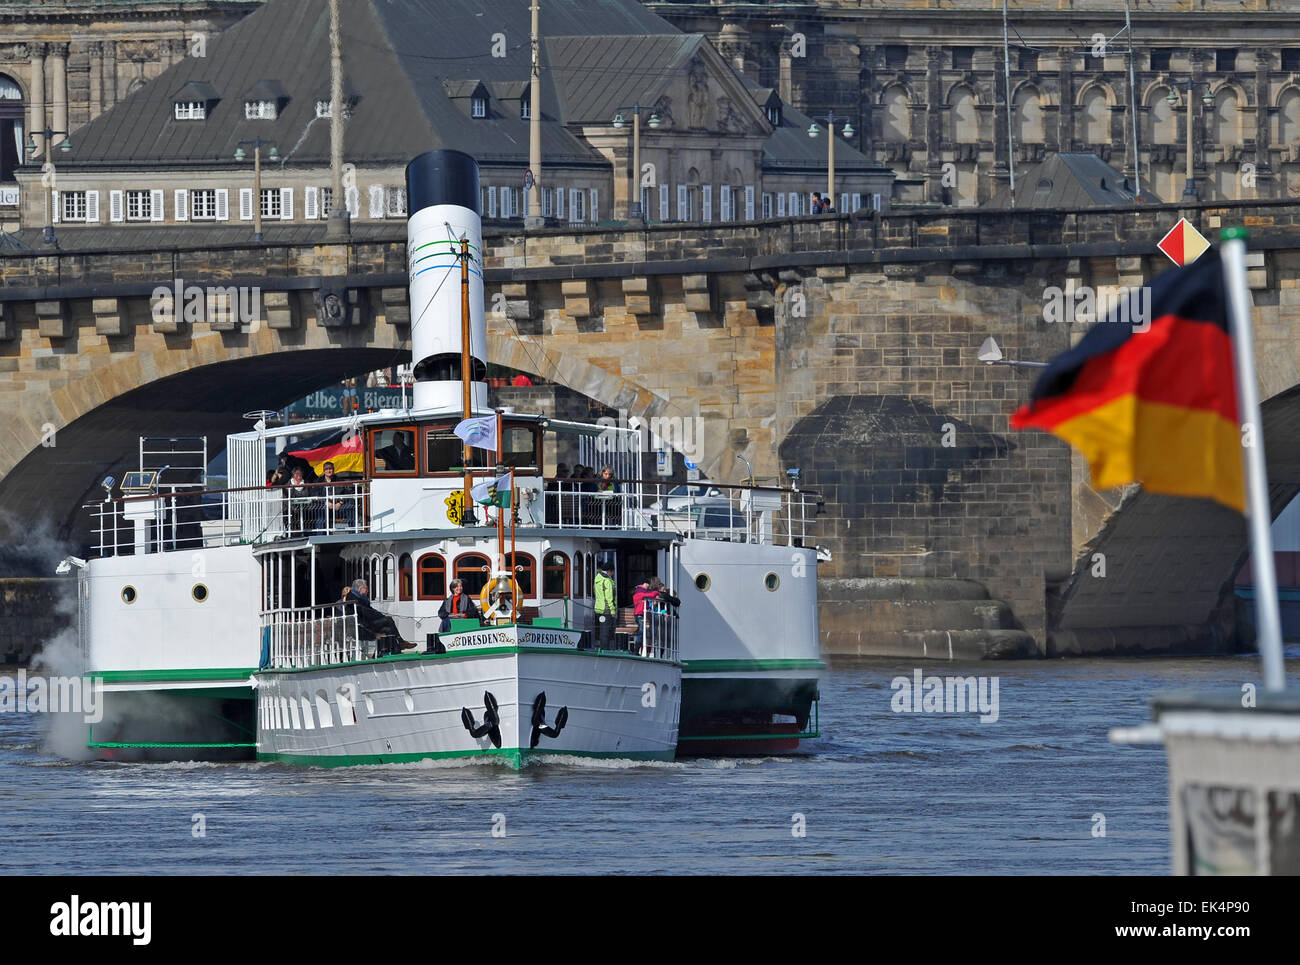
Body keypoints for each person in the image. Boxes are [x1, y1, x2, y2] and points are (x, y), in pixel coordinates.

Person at [344, 578, 410, 656]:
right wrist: (381, 617)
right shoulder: (353, 599)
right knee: (388, 620)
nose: (367, 590)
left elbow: (370, 611)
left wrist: (381, 616)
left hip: (367, 623)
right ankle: (401, 642)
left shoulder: (359, 598)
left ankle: (394, 650)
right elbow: (366, 612)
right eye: (366, 588)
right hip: (361, 627)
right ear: (360, 588)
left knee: (387, 629)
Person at [317, 461, 355, 531]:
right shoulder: (319, 481)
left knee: (350, 507)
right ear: (324, 471)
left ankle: (353, 532)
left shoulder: (339, 480)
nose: (329, 471)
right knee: (321, 512)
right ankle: (321, 535)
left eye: (330, 469)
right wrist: (326, 502)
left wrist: (340, 503)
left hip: (339, 506)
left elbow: (346, 492)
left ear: (333, 470)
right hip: (325, 505)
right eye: (327, 469)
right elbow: (316, 494)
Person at [285, 466, 315, 534]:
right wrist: (293, 508)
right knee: (291, 516)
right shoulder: (287, 485)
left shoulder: (306, 483)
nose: (299, 475)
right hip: (292, 509)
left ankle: (307, 533)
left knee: (309, 515)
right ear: (293, 474)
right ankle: (293, 534)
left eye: (300, 473)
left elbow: (310, 495)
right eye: (296, 473)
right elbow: (286, 499)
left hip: (305, 508)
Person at [593, 563, 617, 651]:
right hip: (606, 610)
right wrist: (613, 611)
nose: (613, 574)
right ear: (609, 571)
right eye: (612, 572)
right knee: (606, 631)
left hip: (598, 608)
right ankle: (605, 650)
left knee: (602, 631)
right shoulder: (607, 581)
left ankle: (602, 648)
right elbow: (609, 598)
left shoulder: (597, 579)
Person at [632, 579, 656, 653]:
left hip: (640, 614)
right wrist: (657, 592)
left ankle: (637, 650)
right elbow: (651, 594)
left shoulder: (639, 591)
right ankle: (636, 650)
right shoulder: (640, 592)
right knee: (642, 631)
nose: (648, 586)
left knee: (643, 632)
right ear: (643, 584)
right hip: (640, 614)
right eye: (647, 584)